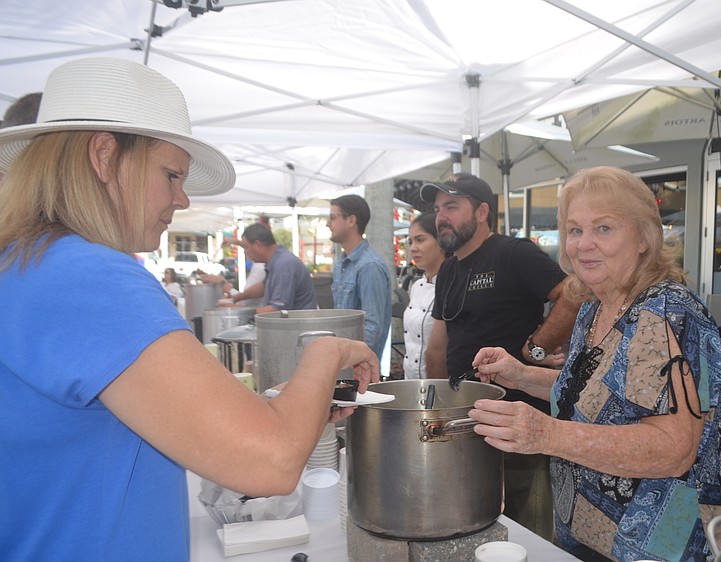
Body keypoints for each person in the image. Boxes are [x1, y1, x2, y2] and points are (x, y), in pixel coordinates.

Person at [0, 57, 380, 561]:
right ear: (104, 156)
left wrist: (289, 406)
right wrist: (326, 350)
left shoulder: (29, 263)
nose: (181, 199)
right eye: (172, 175)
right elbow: (271, 461)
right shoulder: (88, 275)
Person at [468, 166, 721, 562]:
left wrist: (547, 434)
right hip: (588, 539)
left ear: (644, 238)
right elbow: (599, 393)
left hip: (665, 546)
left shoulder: (669, 315)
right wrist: (522, 375)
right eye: (575, 230)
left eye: (604, 229)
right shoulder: (594, 305)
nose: (584, 244)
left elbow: (673, 449)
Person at [421, 172, 578, 540]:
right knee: (473, 524)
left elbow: (572, 293)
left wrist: (535, 349)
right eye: (438, 208)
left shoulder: (513, 253)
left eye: (452, 206)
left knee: (526, 530)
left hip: (520, 424)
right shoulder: (447, 271)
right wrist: (433, 407)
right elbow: (439, 346)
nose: (442, 216)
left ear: (481, 212)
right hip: (465, 423)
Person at [327, 193, 393, 358]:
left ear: (351, 220)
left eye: (333, 217)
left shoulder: (369, 266)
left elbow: (372, 329)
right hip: (343, 362)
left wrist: (340, 357)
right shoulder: (341, 264)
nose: (328, 223)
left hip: (358, 367)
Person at [402, 212, 449, 379]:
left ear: (441, 242)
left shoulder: (453, 287)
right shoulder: (416, 286)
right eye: (410, 242)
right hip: (411, 382)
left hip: (438, 385)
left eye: (420, 240)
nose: (413, 247)